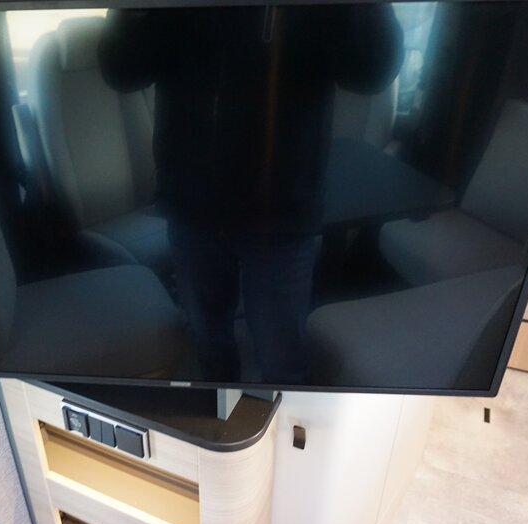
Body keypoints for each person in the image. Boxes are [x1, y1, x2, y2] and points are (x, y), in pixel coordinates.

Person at [99, 5, 403, 384]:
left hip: (281, 212)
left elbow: (371, 73)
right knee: (207, 338)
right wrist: (128, 13)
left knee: (281, 357)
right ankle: (219, 403)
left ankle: (282, 416)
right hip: (191, 205)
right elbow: (122, 72)